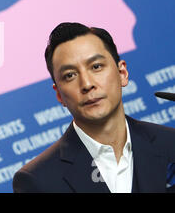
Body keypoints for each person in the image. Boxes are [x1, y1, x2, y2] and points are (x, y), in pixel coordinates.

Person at [13, 22, 175, 193]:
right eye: (70, 75)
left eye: (96, 67)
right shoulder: (37, 180)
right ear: (59, 94)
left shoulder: (170, 144)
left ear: (122, 74)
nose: (87, 84)